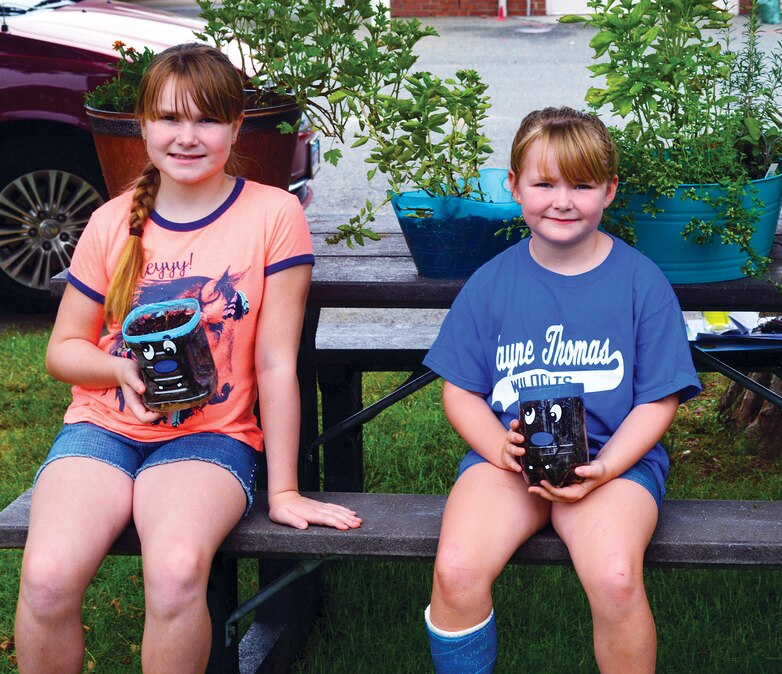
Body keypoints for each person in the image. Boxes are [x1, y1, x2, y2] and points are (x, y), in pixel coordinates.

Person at [14, 43, 361, 673]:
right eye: (170, 118)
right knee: (45, 576)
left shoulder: (273, 215)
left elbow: (276, 363)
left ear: (236, 126)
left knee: (175, 571)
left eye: (206, 119)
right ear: (142, 125)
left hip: (210, 437)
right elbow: (62, 352)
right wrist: (118, 369)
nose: (187, 136)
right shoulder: (111, 222)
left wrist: (283, 489)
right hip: (102, 429)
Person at [421, 106, 701, 673]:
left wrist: (608, 466)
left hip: (611, 462)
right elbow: (460, 391)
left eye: (582, 185)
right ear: (514, 187)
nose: (563, 201)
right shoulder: (491, 283)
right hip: (508, 461)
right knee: (456, 571)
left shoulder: (641, 282)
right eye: (544, 184)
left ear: (610, 190)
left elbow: (659, 398)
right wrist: (498, 448)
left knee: (615, 577)